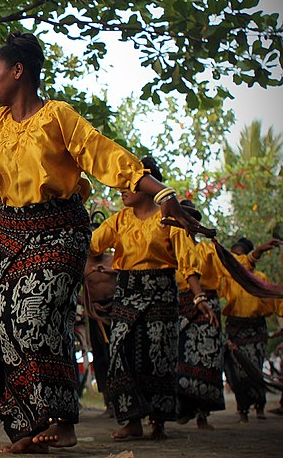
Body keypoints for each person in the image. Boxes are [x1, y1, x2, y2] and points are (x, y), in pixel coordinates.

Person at [0, 32, 201, 454]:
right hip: (12, 235)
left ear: (17, 72)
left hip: (60, 230)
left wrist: (162, 191)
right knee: (1, 328)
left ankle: (62, 421)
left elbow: (104, 154)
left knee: (36, 316)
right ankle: (28, 425)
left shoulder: (58, 116)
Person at [90, 157, 216, 441]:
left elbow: (187, 262)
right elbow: (93, 245)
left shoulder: (170, 219)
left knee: (158, 355)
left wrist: (199, 298)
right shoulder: (118, 220)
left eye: (128, 186)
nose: (121, 191)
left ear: (148, 187)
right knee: (120, 350)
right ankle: (131, 420)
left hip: (161, 291)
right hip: (127, 291)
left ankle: (158, 421)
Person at [173, 201, 225, 430]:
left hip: (207, 306)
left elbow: (230, 271)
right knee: (179, 357)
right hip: (180, 306)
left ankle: (203, 414)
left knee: (208, 358)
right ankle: (184, 408)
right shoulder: (170, 246)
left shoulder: (208, 250)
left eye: (191, 217)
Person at [220, 236, 283, 422]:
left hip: (256, 331)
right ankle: (243, 410)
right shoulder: (228, 279)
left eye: (239, 257)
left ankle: (260, 406)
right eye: (233, 257)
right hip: (236, 329)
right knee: (237, 372)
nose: (236, 262)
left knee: (255, 369)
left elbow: (276, 302)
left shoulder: (261, 279)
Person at [82, 211, 117, 417]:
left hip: (116, 311)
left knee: (118, 355)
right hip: (94, 314)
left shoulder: (115, 259)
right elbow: (81, 290)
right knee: (101, 357)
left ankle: (123, 400)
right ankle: (108, 403)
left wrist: (112, 272)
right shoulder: (83, 264)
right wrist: (91, 311)